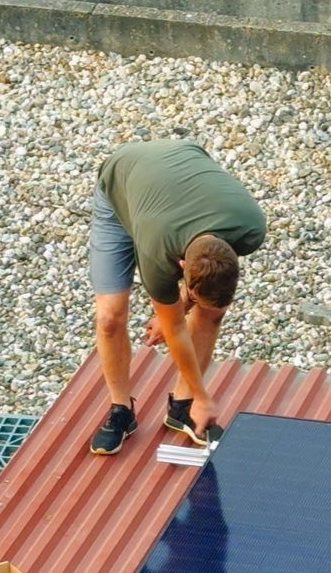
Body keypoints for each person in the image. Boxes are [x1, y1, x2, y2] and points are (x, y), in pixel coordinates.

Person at [85, 139, 267, 455]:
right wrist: (204, 395)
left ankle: (181, 407)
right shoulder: (158, 251)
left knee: (212, 311)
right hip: (122, 182)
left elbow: (186, 306)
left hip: (177, 173)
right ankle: (121, 411)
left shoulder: (249, 229)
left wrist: (181, 305)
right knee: (110, 316)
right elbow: (175, 330)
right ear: (180, 266)